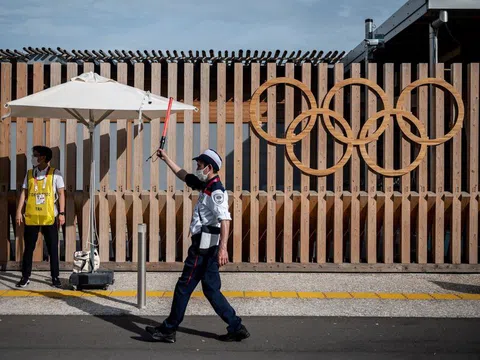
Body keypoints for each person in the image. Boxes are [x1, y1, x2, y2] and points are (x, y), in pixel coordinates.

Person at [146, 148, 250, 343]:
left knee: (183, 287)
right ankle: (236, 326)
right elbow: (184, 175)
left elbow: (225, 219)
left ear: (209, 167)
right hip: (206, 245)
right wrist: (166, 157)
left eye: (200, 166)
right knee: (211, 290)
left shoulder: (216, 190)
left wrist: (223, 248)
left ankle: (169, 330)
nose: (197, 168)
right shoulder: (206, 185)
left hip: (204, 247)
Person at [15, 146, 65, 288]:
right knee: (29, 248)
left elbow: (61, 194)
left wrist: (61, 213)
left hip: (50, 216)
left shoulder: (56, 174)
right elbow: (24, 193)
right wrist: (19, 211)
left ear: (43, 157)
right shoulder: (30, 173)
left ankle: (55, 277)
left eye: (35, 155)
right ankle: (25, 277)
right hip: (32, 216)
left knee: (52, 248)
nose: (33, 157)